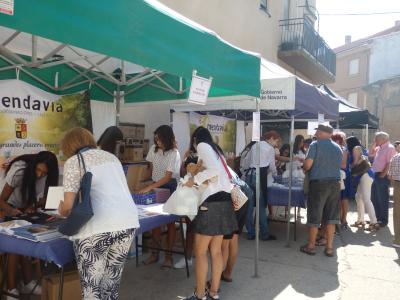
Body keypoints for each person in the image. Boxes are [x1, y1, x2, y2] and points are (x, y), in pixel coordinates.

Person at [58, 127, 139, 300]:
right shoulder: (112, 157)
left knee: (92, 289)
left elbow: (68, 206)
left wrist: (60, 209)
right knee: (111, 285)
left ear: (68, 146)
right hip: (127, 223)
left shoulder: (74, 161)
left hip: (97, 227)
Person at [183, 127, 237, 300]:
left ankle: (200, 294)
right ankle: (213, 292)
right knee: (216, 251)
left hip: (211, 204)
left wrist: (194, 180)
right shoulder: (216, 150)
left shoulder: (203, 146)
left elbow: (213, 170)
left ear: (196, 139)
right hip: (224, 202)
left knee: (200, 252)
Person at [0, 151, 59, 299]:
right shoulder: (19, 171)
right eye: (38, 170)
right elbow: (1, 201)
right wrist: (12, 210)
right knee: (16, 242)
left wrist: (33, 206)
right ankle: (11, 288)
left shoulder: (46, 177)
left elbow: (32, 199)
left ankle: (26, 283)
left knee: (28, 237)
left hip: (20, 211)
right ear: (33, 165)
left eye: (44, 173)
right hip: (5, 210)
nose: (40, 175)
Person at [139, 125, 181, 268]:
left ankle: (168, 257)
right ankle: (154, 254)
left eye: (159, 139)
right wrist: (140, 183)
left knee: (170, 223)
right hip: (156, 185)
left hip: (170, 187)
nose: (157, 141)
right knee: (154, 221)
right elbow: (150, 170)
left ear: (167, 138)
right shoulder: (153, 149)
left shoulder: (174, 153)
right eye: (155, 138)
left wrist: (149, 187)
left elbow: (168, 177)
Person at [300, 124, 342, 257]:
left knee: (314, 215)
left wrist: (304, 167)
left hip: (319, 184)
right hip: (335, 184)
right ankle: (329, 248)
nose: (316, 133)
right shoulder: (338, 147)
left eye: (318, 131)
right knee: (331, 217)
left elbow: (308, 165)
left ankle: (311, 246)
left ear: (323, 132)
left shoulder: (315, 145)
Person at [245, 130, 278, 241]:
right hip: (259, 177)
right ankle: (264, 234)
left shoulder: (255, 145)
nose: (276, 144)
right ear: (271, 138)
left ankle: (250, 232)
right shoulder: (270, 149)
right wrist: (275, 174)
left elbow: (247, 162)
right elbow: (272, 166)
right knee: (261, 206)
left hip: (249, 176)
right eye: (276, 141)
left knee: (249, 206)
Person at [369, 132, 397, 227]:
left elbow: (389, 163)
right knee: (374, 198)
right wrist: (374, 143)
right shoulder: (380, 147)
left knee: (383, 199)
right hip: (376, 175)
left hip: (382, 176)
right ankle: (377, 218)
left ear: (383, 139)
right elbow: (370, 153)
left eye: (376, 138)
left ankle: (383, 220)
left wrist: (383, 174)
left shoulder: (390, 148)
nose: (375, 140)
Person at [351, 146, 378, 231]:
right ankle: (361, 220)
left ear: (359, 151)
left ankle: (374, 222)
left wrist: (355, 161)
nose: (354, 152)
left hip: (366, 177)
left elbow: (354, 169)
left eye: (356, 151)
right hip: (362, 177)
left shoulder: (363, 158)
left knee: (366, 199)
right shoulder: (359, 158)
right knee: (358, 197)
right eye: (354, 151)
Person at [332, 132, 350, 230]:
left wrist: (329, 163)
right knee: (337, 199)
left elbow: (343, 165)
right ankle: (338, 220)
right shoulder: (337, 149)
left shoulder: (343, 150)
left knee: (343, 198)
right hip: (337, 175)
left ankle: (343, 220)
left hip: (343, 176)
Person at [388, 151, 400, 248]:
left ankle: (398, 240)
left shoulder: (395, 157)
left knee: (397, 213)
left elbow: (390, 176)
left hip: (398, 185)